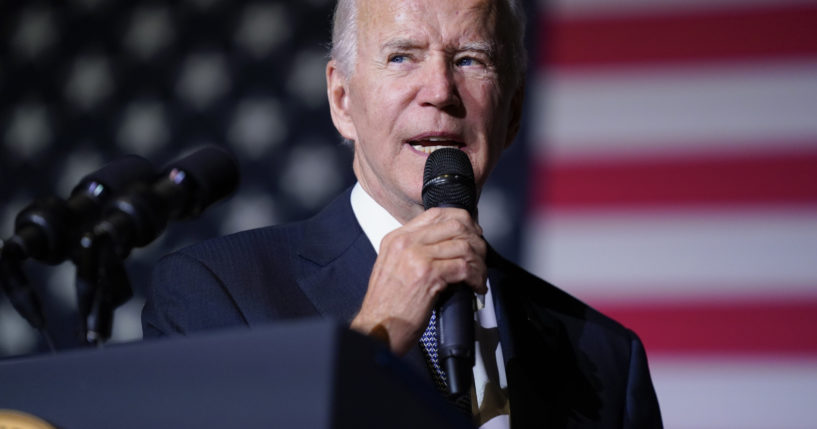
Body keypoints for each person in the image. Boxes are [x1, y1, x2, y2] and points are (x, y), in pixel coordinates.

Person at [142, 0, 663, 427]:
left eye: (470, 60)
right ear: (342, 100)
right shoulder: (215, 294)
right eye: (402, 57)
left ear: (514, 113)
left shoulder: (605, 357)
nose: (439, 92)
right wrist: (374, 337)